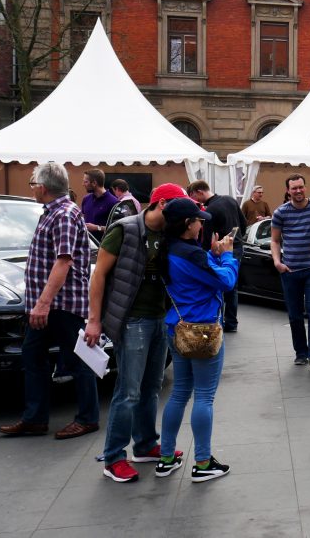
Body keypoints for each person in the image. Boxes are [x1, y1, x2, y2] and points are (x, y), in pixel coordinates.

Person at [84, 182, 189, 482]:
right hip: (132, 320)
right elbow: (99, 275)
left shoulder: (169, 234)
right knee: (128, 392)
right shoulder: (125, 229)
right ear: (163, 204)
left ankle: (144, 445)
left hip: (160, 318)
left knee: (151, 387)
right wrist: (94, 319)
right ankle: (114, 457)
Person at [0, 163, 99, 441]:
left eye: (32, 184)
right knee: (33, 357)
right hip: (47, 304)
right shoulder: (56, 212)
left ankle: (87, 419)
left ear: (42, 187)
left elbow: (63, 261)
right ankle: (35, 418)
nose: (31, 189)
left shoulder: (64, 214)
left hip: (61, 305)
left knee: (79, 361)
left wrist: (42, 304)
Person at [155, 197, 238, 483]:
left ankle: (166, 458)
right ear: (187, 224)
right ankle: (202, 462)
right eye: (198, 220)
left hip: (176, 327)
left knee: (179, 393)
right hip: (203, 330)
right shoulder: (192, 255)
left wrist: (212, 256)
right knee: (204, 395)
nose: (202, 224)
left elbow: (199, 278)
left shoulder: (169, 250)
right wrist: (226, 256)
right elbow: (226, 282)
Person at [271, 174, 310, 367]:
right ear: (288, 191)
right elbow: (275, 240)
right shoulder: (280, 212)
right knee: (295, 314)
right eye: (294, 188)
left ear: (305, 187)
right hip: (290, 271)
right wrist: (276, 261)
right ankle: (300, 351)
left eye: (301, 187)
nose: (298, 191)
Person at [188, 180, 246, 333]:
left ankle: (220, 320)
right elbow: (243, 223)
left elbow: (207, 240)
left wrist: (207, 252)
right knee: (233, 286)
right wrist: (236, 237)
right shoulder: (230, 199)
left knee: (220, 283)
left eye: (194, 195)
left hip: (220, 250)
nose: (195, 199)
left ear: (200, 191)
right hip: (237, 246)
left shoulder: (210, 210)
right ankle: (232, 322)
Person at [81, 168, 119, 240]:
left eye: (85, 182)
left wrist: (97, 228)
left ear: (94, 183)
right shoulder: (86, 199)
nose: (83, 184)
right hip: (88, 246)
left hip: (103, 246)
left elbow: (117, 228)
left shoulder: (114, 202)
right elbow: (83, 218)